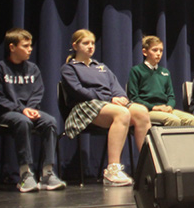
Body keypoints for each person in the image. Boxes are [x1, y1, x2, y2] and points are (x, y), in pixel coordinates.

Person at [61, 29, 151, 187]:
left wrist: (121, 97)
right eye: (85, 43)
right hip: (84, 106)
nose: (90, 47)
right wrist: (109, 99)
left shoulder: (101, 67)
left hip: (108, 104)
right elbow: (78, 92)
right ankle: (112, 170)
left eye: (92, 43)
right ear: (75, 46)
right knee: (122, 113)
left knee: (141, 112)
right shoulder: (70, 68)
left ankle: (148, 165)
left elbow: (115, 86)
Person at [0, 28, 66, 192]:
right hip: (4, 113)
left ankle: (47, 173)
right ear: (12, 47)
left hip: (27, 111)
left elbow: (38, 93)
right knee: (22, 121)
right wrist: (21, 110)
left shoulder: (33, 69)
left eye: (30, 45)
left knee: (50, 121)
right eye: (25, 46)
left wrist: (29, 109)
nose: (30, 49)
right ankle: (25, 174)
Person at [127, 36, 194, 126]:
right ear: (145, 52)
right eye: (155, 50)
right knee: (173, 120)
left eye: (161, 50)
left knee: (190, 119)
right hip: (148, 110)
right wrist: (154, 107)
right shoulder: (137, 70)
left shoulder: (165, 72)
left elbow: (171, 96)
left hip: (165, 109)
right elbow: (134, 98)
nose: (158, 54)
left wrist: (169, 106)